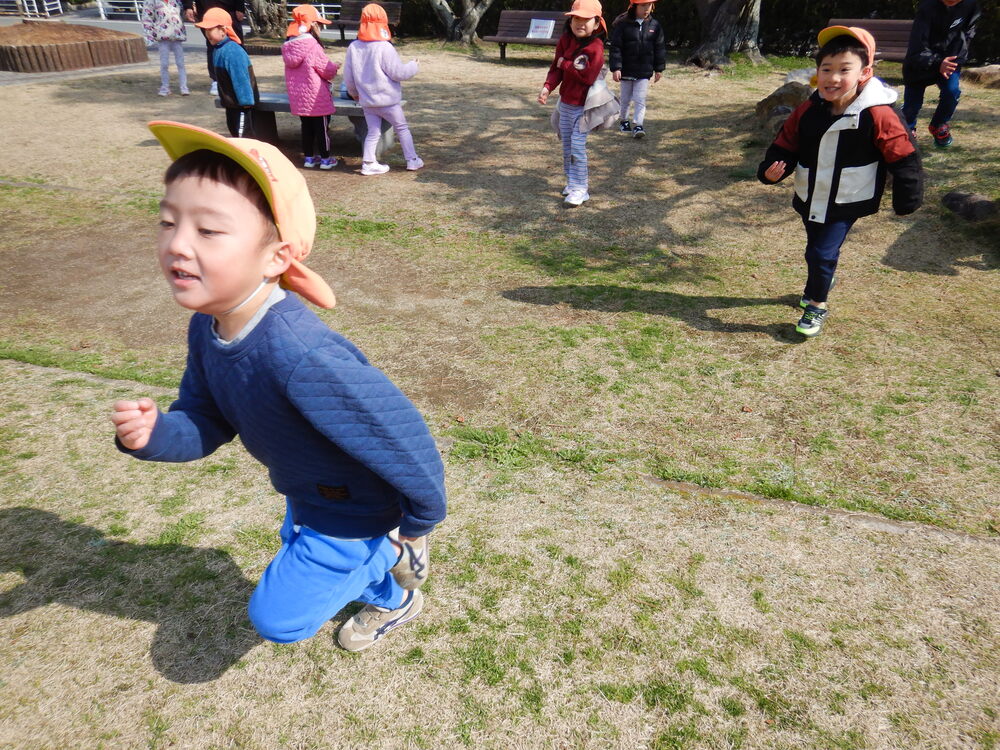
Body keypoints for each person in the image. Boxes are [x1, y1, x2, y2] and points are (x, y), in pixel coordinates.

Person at [111, 120, 446, 651]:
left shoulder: (300, 355)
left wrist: (419, 521)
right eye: (168, 221)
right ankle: (388, 588)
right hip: (307, 492)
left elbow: (401, 432)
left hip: (354, 508)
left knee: (279, 621)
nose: (177, 244)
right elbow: (205, 417)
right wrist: (154, 435)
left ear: (277, 257)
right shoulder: (209, 323)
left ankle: (389, 562)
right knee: (299, 541)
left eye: (208, 230)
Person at [757, 26, 923, 338]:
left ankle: (817, 303)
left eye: (844, 70)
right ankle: (821, 279)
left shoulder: (879, 112)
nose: (833, 78)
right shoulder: (810, 107)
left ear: (865, 73)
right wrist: (770, 169)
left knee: (822, 252)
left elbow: (902, 154)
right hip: (810, 192)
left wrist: (907, 197)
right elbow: (787, 141)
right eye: (826, 69)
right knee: (814, 249)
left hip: (848, 197)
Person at [537, 0, 608, 207]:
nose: (581, 23)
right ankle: (572, 182)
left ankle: (580, 189)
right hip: (566, 103)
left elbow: (586, 76)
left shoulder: (596, 47)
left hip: (584, 107)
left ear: (597, 24)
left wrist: (565, 64)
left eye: (587, 19)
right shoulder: (565, 41)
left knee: (577, 146)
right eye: (577, 18)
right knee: (567, 145)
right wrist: (547, 87)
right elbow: (556, 68)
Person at [341, 4, 423, 175]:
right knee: (402, 128)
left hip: (367, 101)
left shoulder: (353, 47)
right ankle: (412, 159)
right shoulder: (385, 47)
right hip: (388, 101)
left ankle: (369, 162)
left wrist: (354, 94)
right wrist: (413, 66)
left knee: (373, 131)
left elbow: (348, 77)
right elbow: (398, 73)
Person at [902, 0, 981, 148]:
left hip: (949, 60)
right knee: (911, 106)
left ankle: (939, 124)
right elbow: (917, 46)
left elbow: (967, 34)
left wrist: (955, 58)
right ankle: (908, 129)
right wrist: (938, 62)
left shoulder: (970, 6)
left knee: (951, 92)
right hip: (920, 63)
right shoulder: (927, 8)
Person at [282, 4, 340, 170]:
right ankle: (326, 159)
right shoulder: (312, 46)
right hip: (316, 97)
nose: (321, 28)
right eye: (320, 25)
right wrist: (335, 66)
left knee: (306, 128)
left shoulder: (289, 46)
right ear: (313, 25)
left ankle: (309, 158)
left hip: (299, 97)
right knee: (322, 129)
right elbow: (326, 70)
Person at [196, 8, 258, 138]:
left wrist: (246, 102)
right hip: (231, 104)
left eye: (210, 29)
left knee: (244, 137)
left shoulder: (232, 51)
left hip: (241, 105)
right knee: (234, 132)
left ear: (223, 30)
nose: (206, 33)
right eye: (205, 30)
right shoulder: (218, 49)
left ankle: (251, 157)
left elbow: (241, 79)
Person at [608, 0, 666, 139]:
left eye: (649, 5)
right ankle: (624, 120)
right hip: (626, 69)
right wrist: (616, 68)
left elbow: (660, 48)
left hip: (644, 70)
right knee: (625, 98)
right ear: (634, 7)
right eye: (643, 6)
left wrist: (659, 69)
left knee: (640, 98)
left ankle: (638, 124)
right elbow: (615, 48)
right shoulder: (622, 25)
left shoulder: (655, 25)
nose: (646, 9)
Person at [181, 0, 246, 94]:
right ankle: (217, 80)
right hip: (207, 9)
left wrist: (240, 6)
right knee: (213, 44)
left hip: (229, 9)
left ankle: (240, 77)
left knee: (235, 43)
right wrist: (188, 6)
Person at [142, 0, 190, 97]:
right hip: (163, 35)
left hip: (177, 35)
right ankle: (165, 87)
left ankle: (184, 87)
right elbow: (147, 18)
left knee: (180, 63)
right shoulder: (151, 1)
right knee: (164, 64)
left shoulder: (177, 1)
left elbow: (182, 14)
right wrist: (149, 36)